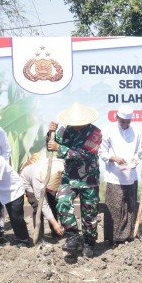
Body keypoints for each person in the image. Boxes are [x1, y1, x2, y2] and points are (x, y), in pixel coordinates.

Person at [47, 102, 103, 259]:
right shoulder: (64, 129)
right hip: (70, 177)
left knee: (89, 214)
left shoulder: (95, 132)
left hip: (89, 180)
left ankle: (89, 243)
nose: (76, 126)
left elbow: (85, 153)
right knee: (62, 201)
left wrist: (60, 148)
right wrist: (50, 133)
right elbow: (52, 146)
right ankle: (73, 236)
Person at [100, 105, 142, 246]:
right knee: (115, 206)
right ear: (117, 118)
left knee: (129, 206)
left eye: (128, 122)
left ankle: (128, 236)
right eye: (122, 121)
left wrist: (135, 160)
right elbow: (102, 152)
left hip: (130, 174)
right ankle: (113, 238)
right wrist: (114, 158)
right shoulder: (108, 130)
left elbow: (139, 152)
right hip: (114, 174)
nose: (125, 124)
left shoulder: (137, 131)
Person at [20, 155, 65, 239]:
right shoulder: (37, 180)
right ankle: (40, 237)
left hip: (43, 178)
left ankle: (55, 233)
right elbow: (43, 204)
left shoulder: (59, 164)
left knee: (52, 203)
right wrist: (55, 224)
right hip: (28, 182)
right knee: (38, 208)